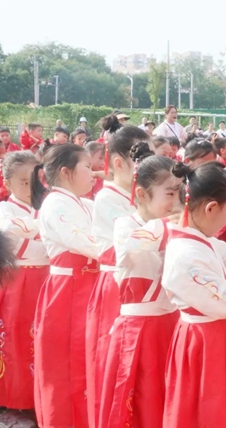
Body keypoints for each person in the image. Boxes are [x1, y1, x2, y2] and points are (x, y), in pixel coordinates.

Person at [162, 162, 226, 427]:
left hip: (217, 334)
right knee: (211, 406)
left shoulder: (202, 241)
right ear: (211, 208)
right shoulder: (185, 254)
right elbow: (223, 301)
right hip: (205, 340)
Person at [98, 144, 182, 428]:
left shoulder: (177, 229)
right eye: (169, 193)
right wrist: (171, 229)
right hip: (139, 330)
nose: (176, 201)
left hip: (172, 325)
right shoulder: (125, 225)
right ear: (142, 195)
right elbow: (130, 247)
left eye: (180, 193)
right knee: (138, 400)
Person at [31, 144, 98, 427]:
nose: (94, 174)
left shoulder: (85, 203)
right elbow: (87, 243)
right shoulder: (56, 204)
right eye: (88, 167)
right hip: (66, 292)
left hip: (86, 289)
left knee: (85, 362)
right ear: (66, 172)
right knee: (64, 366)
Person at [86, 126, 148, 428]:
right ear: (119, 163)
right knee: (115, 368)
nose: (146, 163)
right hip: (117, 288)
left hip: (143, 291)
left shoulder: (140, 195)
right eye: (139, 156)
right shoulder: (108, 199)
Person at [0, 152, 48, 412]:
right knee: (15, 342)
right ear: (7, 183)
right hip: (16, 282)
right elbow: (15, 228)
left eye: (35, 180)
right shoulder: (4, 209)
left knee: (41, 343)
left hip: (46, 281)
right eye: (23, 182)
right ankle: (13, 401)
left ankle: (38, 399)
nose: (31, 188)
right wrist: (50, 224)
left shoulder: (47, 205)